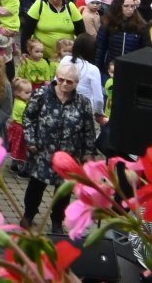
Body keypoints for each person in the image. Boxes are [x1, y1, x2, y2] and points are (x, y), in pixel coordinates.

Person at [19, 58, 100, 231]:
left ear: (77, 83)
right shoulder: (41, 95)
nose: (64, 84)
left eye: (69, 81)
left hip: (69, 157)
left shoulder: (83, 103)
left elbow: (88, 130)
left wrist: (88, 153)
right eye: (60, 79)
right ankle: (29, 214)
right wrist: (31, 140)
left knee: (63, 193)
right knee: (35, 188)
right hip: (42, 153)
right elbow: (28, 118)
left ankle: (57, 221)